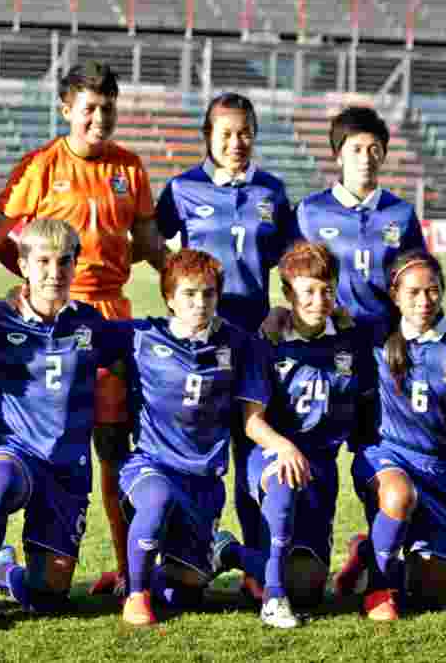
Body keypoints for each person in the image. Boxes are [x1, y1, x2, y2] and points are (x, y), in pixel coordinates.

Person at [0, 61, 167, 596]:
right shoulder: (39, 166)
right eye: (89, 109)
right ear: (66, 110)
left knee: (112, 446)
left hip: (109, 319)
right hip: (51, 323)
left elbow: (149, 246)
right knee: (45, 436)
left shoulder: (131, 168)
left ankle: (129, 571)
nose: (99, 118)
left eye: (108, 108)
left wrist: (187, 283)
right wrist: (25, 282)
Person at [154, 92, 295, 602]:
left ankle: (255, 566)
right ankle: (195, 550)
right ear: (207, 137)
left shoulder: (272, 191)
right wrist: (177, 292)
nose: (236, 142)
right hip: (198, 347)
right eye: (226, 133)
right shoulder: (183, 188)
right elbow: (152, 239)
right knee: (199, 453)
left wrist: (283, 305)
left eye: (245, 132)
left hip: (253, 345)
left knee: (251, 453)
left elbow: (293, 260)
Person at [0, 218, 128, 629]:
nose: (55, 272)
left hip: (68, 467)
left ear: (75, 265)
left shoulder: (90, 323)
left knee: (48, 599)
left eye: (64, 262)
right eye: (44, 261)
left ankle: (5, 572)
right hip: (14, 449)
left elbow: (144, 344)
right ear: (24, 265)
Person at [210, 242, 375, 627]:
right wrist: (284, 446)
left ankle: (230, 552)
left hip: (320, 465)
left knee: (310, 590)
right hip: (270, 455)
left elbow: (365, 404)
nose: (319, 300)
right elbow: (252, 421)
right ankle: (274, 600)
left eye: (327, 290)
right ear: (287, 295)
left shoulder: (351, 340)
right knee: (283, 485)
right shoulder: (266, 343)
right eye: (308, 292)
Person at [333, 250, 446, 620]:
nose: (424, 301)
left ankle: (365, 552)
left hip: (440, 472)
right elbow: (321, 317)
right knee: (399, 494)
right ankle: (377, 588)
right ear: (395, 295)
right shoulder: (373, 337)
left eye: (433, 291)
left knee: (431, 599)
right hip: (386, 456)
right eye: (413, 292)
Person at [115, 249, 271, 626]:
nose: (200, 303)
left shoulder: (239, 344)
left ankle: (222, 551)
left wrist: (279, 320)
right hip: (151, 464)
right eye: (189, 293)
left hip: (203, 481)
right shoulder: (139, 335)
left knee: (180, 596)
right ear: (169, 297)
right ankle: (135, 593)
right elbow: (78, 331)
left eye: (208, 293)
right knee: (156, 500)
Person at [275, 106, 427, 338]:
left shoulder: (402, 214)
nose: (365, 158)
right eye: (356, 149)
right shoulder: (309, 211)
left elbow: (418, 278)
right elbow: (288, 272)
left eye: (373, 149)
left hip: (387, 340)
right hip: (327, 340)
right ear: (339, 156)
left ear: (384, 154)